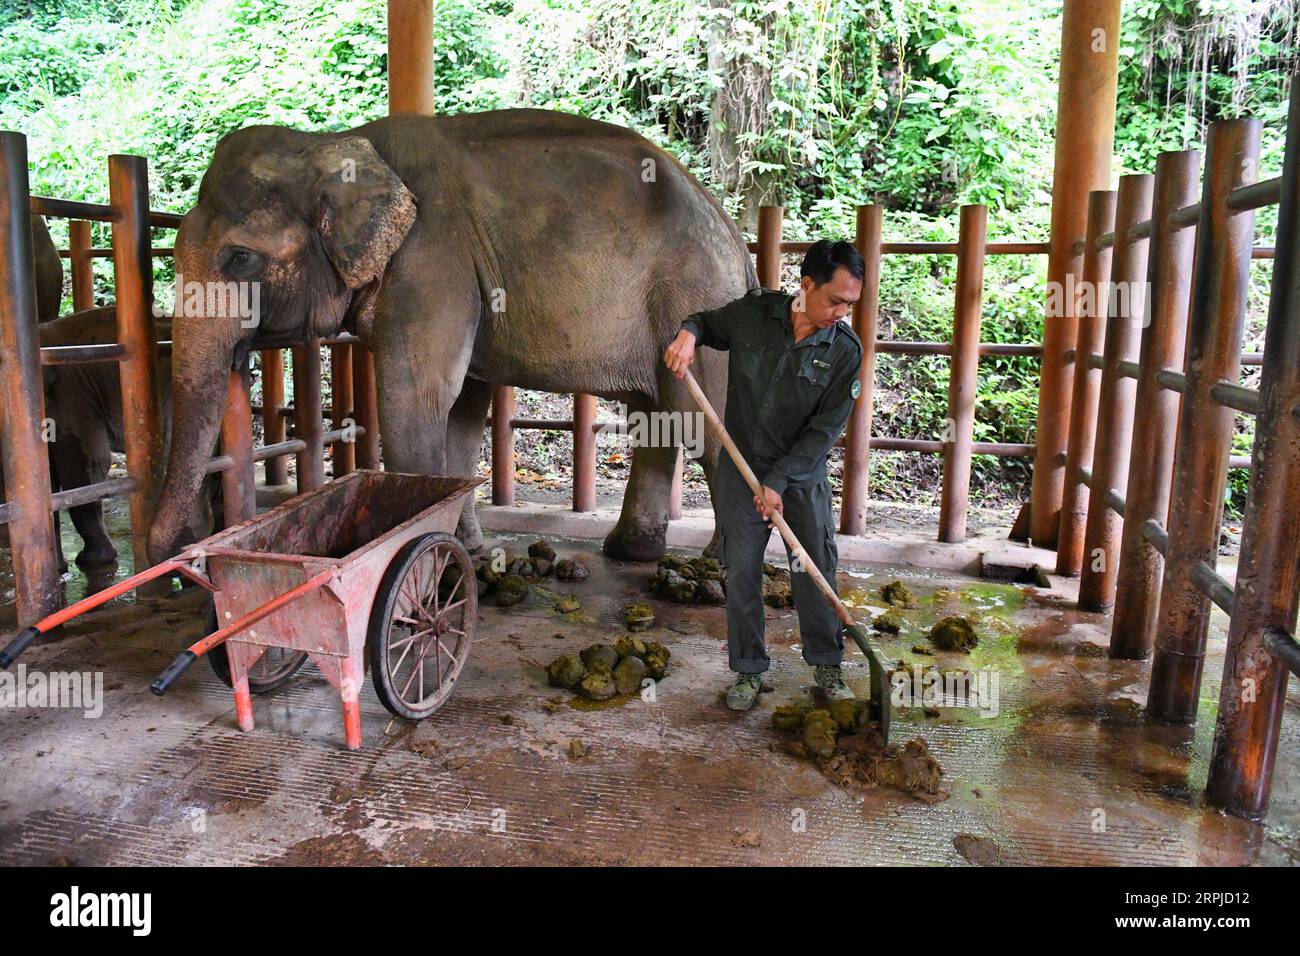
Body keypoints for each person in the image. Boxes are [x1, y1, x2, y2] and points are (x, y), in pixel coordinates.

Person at [663, 239, 865, 711]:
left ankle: (827, 664)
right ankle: (749, 672)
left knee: (814, 570)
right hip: (740, 469)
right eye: (835, 299)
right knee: (742, 573)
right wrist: (688, 334)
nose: (841, 312)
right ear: (807, 284)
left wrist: (779, 480)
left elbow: (822, 433)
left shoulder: (845, 353)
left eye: (850, 304)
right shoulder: (756, 315)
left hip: (800, 478)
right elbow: (707, 322)